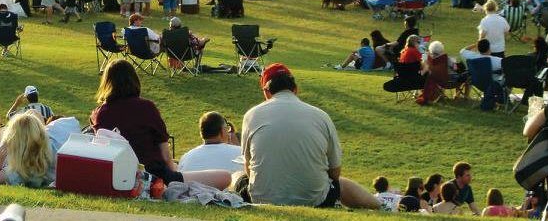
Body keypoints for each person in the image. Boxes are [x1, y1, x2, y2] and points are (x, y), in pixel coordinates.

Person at [239, 63, 380, 209]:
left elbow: (248, 166)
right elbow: (335, 172)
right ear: (295, 89)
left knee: (238, 176)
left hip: (262, 198)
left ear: (266, 91)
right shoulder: (321, 116)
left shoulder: (251, 115)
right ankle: (381, 206)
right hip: (316, 200)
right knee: (342, 183)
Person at [90, 59, 230, 189]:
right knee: (225, 177)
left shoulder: (99, 114)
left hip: (116, 176)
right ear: (133, 80)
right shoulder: (146, 108)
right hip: (153, 176)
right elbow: (165, 155)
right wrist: (174, 173)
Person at [177, 111, 242, 172]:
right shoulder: (240, 153)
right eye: (226, 128)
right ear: (222, 131)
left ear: (201, 133)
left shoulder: (186, 158)